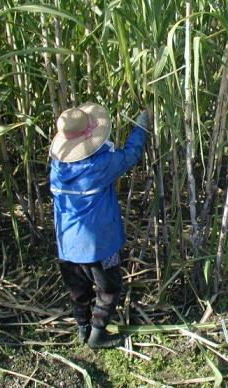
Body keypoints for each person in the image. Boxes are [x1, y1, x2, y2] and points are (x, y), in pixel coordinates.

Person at [49, 102, 149, 349]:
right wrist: (141, 126)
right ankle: (97, 334)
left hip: (67, 246)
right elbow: (131, 154)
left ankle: (82, 329)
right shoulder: (100, 165)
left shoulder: (58, 166)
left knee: (78, 290)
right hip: (98, 246)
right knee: (110, 288)